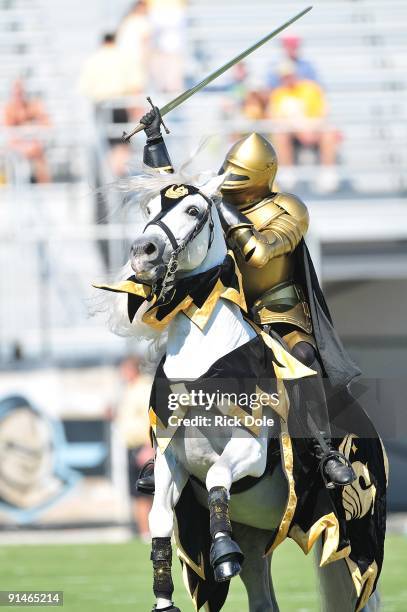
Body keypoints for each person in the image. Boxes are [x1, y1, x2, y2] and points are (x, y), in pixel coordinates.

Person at [135, 107, 357, 494]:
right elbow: (173, 200)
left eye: (238, 178)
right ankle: (162, 449)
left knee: (303, 359)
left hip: (279, 310)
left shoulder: (289, 208)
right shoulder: (220, 203)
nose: (232, 184)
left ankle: (323, 451)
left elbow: (258, 253)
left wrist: (218, 202)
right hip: (228, 304)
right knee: (169, 362)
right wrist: (155, 142)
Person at [269, 60, 340, 192]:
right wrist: (299, 129)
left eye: (289, 75)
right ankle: (287, 172)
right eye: (284, 76)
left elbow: (322, 113)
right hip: (293, 131)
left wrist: (308, 128)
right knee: (280, 133)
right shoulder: (279, 93)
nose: (287, 79)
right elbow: (276, 118)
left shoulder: (311, 89)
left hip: (313, 128)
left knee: (329, 132)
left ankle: (328, 172)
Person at [115, 356, 154, 540]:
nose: (122, 373)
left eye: (125, 369)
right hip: (132, 448)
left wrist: (149, 446)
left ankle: (155, 532)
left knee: (149, 492)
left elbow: (152, 417)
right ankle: (144, 533)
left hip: (144, 447)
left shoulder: (144, 387)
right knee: (137, 493)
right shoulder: (129, 389)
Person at [3, 79, 51, 183]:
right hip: (16, 147)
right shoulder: (8, 109)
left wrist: (31, 129)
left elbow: (46, 124)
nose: (19, 96)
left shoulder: (33, 105)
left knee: (39, 155)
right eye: (16, 93)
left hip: (33, 146)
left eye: (21, 93)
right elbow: (8, 133)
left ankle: (44, 188)